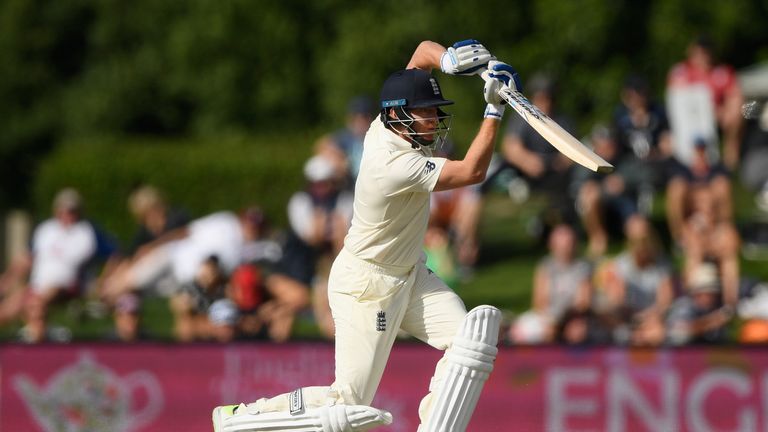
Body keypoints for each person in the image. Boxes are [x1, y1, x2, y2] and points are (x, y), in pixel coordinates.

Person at [213, 39, 513, 431]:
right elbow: (473, 172)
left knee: (469, 343)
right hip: (367, 286)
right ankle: (243, 417)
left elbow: (421, 53)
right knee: (348, 404)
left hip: (409, 274)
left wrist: (449, 61)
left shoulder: (386, 122)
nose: (435, 120)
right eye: (426, 112)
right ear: (401, 116)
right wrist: (493, 110)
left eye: (435, 111)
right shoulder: (394, 164)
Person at [264, 154, 353, 341]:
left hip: (330, 268)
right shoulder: (299, 202)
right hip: (300, 271)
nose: (321, 188)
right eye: (316, 183)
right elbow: (312, 239)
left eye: (325, 182)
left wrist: (332, 234)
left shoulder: (345, 200)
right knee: (299, 302)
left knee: (330, 307)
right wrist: (327, 232)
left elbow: (341, 241)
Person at [507, 224, 592, 344]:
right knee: (522, 332)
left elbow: (583, 303)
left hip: (573, 316)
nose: (566, 249)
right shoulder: (546, 266)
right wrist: (552, 319)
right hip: (549, 315)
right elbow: (539, 301)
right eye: (562, 245)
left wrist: (563, 318)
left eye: (569, 244)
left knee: (577, 332)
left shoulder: (583, 268)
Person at [666, 262, 733, 345]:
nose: (710, 297)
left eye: (713, 292)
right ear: (696, 293)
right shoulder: (684, 306)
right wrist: (711, 322)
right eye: (706, 292)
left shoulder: (718, 307)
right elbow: (678, 333)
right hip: (684, 355)